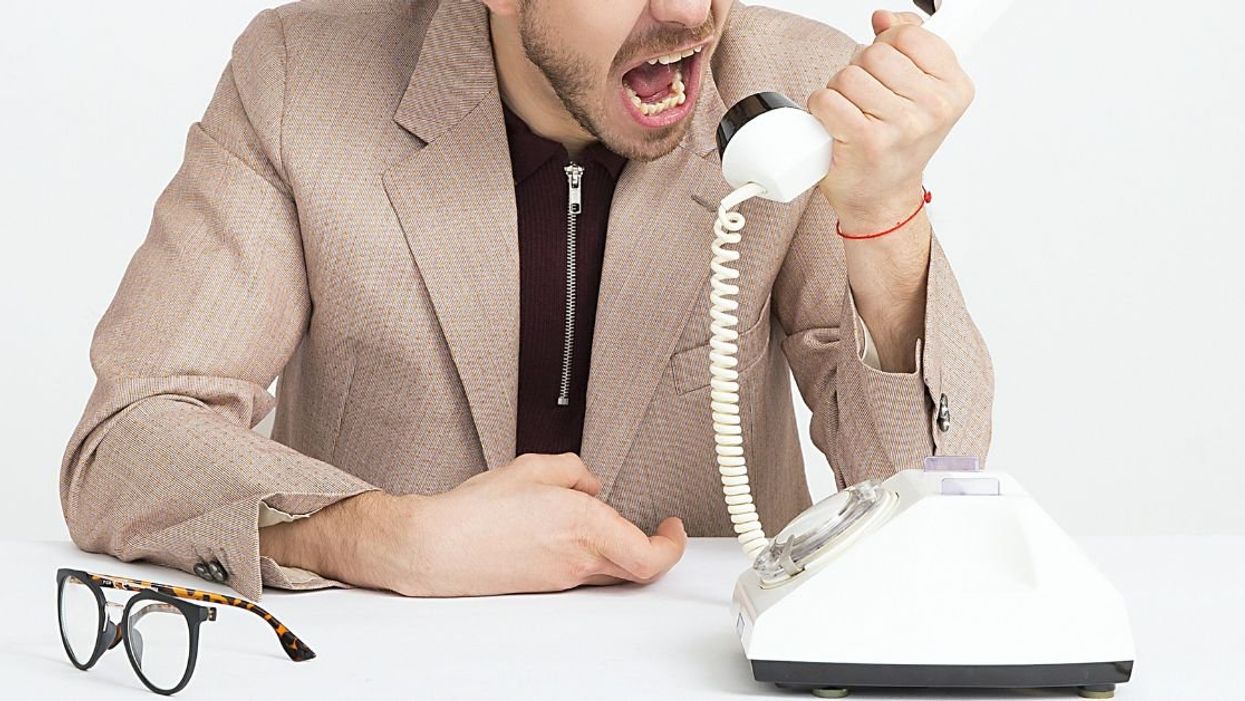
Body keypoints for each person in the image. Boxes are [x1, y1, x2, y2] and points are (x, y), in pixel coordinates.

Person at [60, 0, 992, 601]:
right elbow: (129, 438)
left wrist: (882, 218)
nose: (688, 13)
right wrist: (379, 537)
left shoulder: (797, 90)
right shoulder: (299, 76)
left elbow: (929, 494)